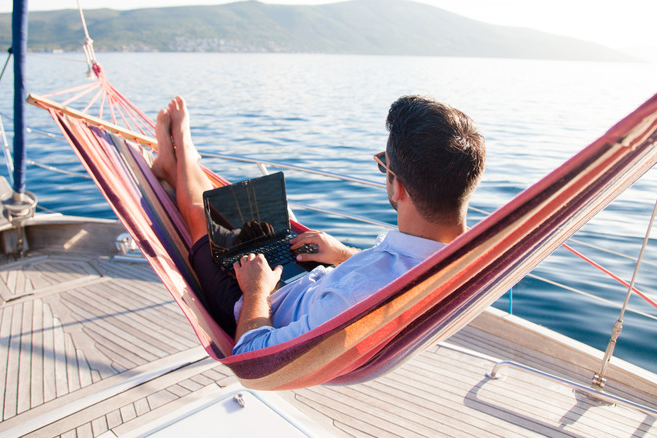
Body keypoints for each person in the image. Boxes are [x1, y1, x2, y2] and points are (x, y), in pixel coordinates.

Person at [151, 95, 485, 354]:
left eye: (384, 165)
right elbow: (390, 273)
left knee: (201, 219)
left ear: (397, 187)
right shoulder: (469, 259)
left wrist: (256, 289)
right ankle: (181, 162)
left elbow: (253, 352)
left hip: (260, 307)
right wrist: (341, 253)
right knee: (230, 216)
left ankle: (181, 154)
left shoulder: (353, 296)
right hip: (313, 280)